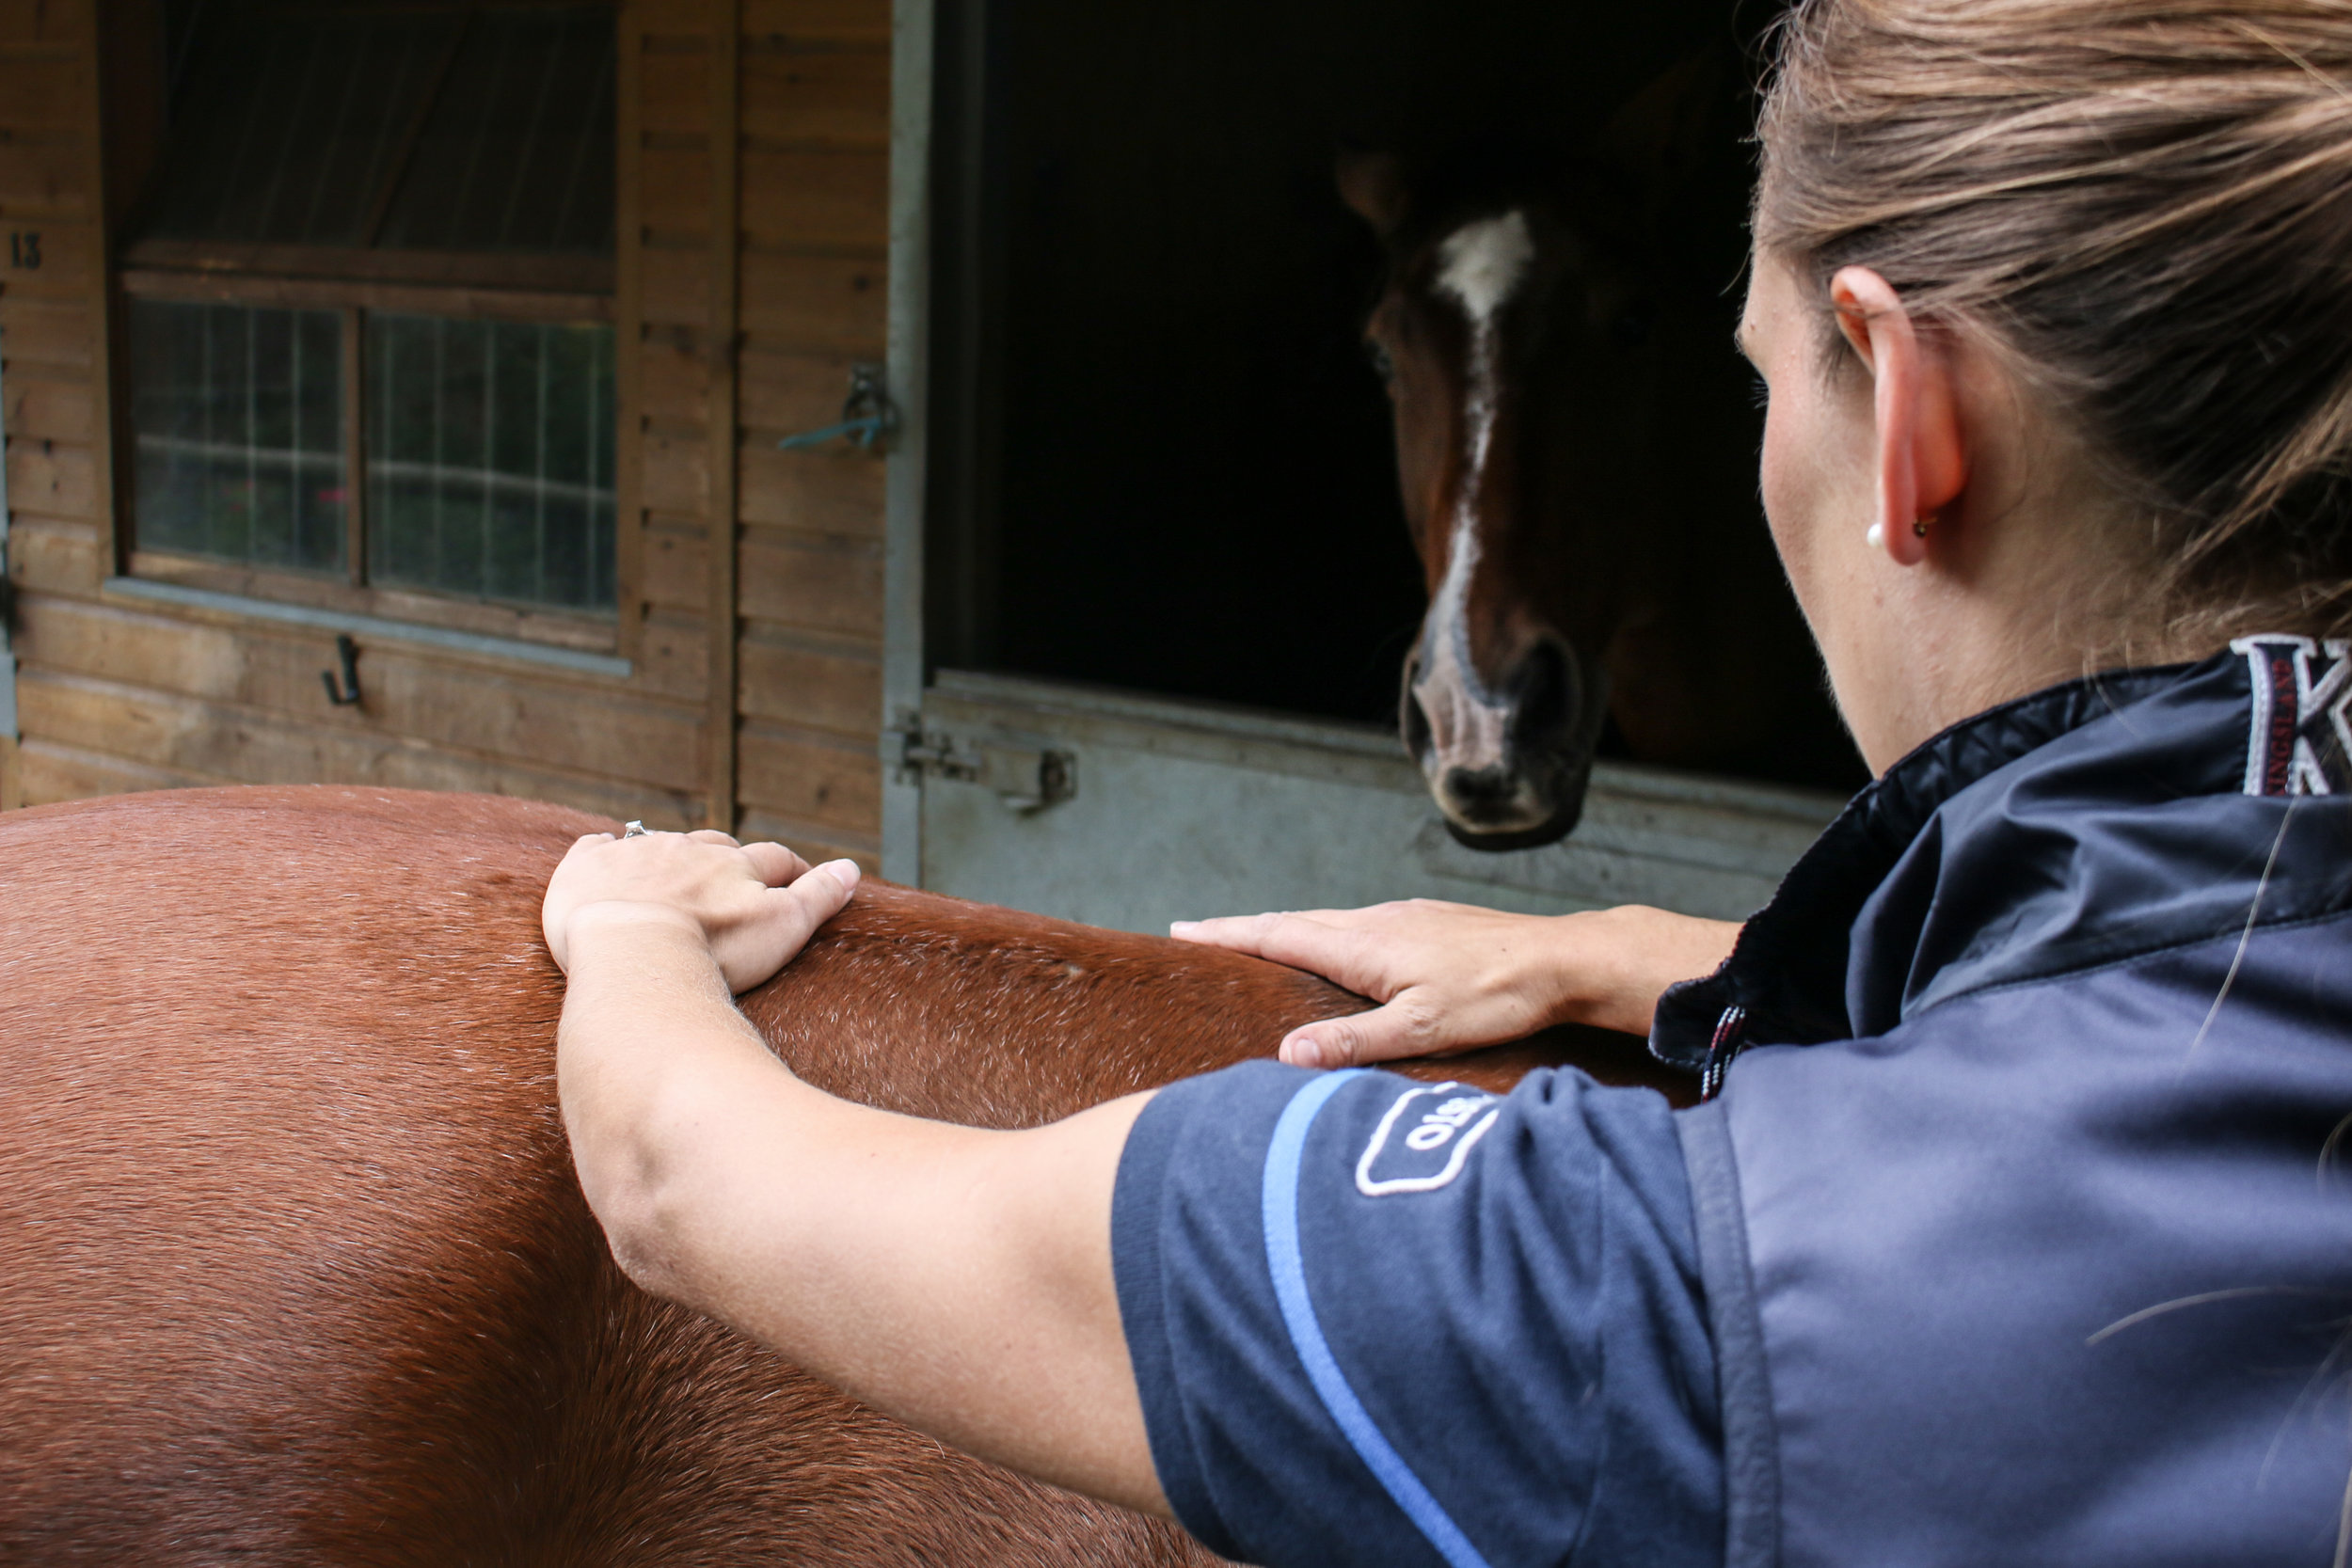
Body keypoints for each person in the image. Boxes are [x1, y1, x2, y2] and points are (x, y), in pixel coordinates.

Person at [538, 0, 2352, 1560]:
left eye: (1763, 383)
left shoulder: (1672, 1287)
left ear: (1909, 414)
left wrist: (626, 931)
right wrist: (1653, 950)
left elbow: (687, 1189)